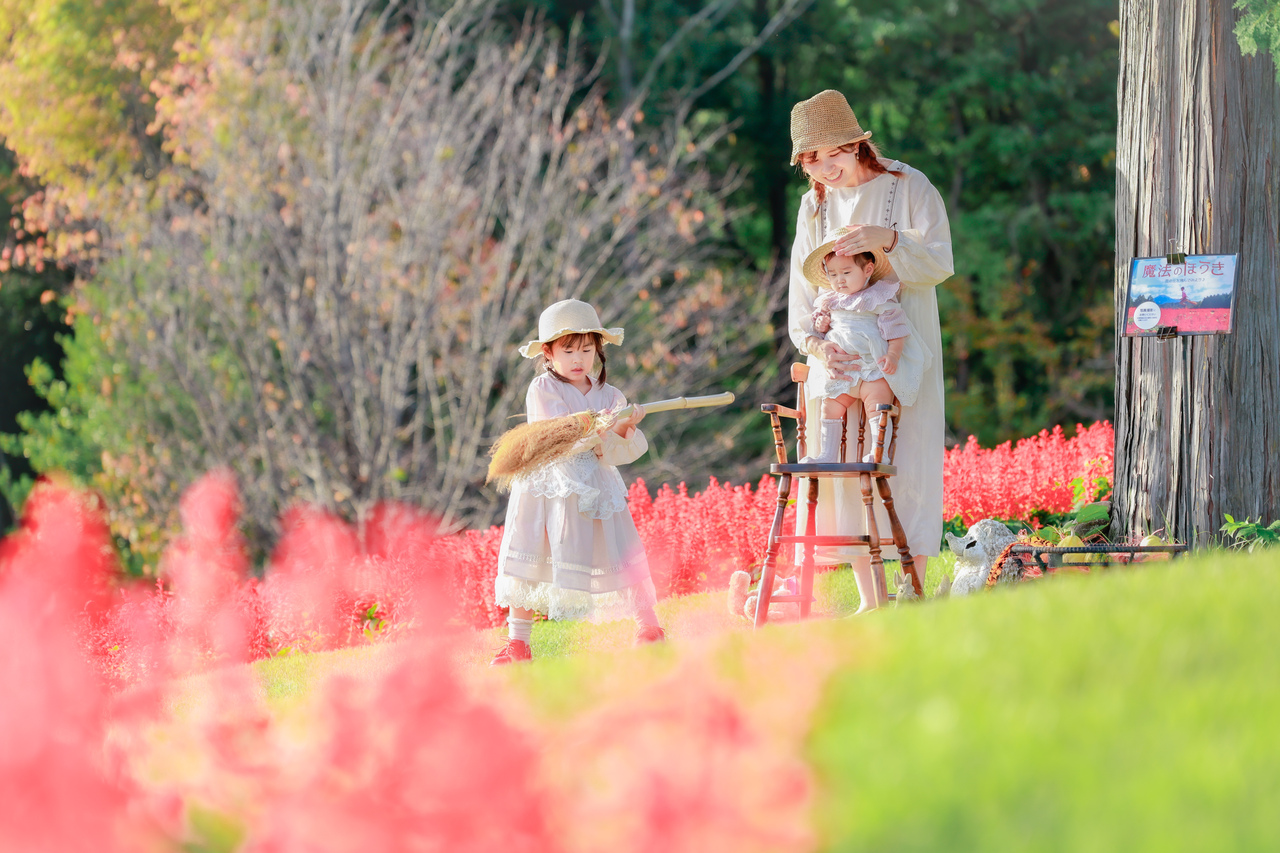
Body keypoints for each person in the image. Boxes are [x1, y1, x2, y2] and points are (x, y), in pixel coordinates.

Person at [787, 89, 953, 611]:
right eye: (811, 159)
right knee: (844, 462)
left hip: (901, 348)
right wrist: (813, 345)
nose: (823, 167)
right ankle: (870, 597)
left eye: (830, 152)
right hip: (837, 358)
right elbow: (804, 288)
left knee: (908, 455)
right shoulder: (813, 205)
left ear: (855, 144)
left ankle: (914, 588)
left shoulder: (908, 186)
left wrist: (888, 238)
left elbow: (939, 264)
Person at [490, 298, 663, 665]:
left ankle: (648, 626)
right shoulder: (543, 389)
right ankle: (518, 643)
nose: (578, 358)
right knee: (533, 553)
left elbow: (612, 451)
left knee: (619, 548)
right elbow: (560, 437)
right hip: (550, 486)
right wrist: (596, 425)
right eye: (568, 350)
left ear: (598, 350)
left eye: (586, 349)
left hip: (596, 487)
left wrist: (622, 426)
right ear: (548, 353)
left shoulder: (611, 395)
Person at [797, 234, 931, 464]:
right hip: (842, 371)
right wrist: (822, 324)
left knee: (878, 407)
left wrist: (893, 355)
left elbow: (897, 330)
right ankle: (827, 455)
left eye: (846, 273)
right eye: (833, 274)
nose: (839, 280)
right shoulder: (829, 301)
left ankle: (879, 453)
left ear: (868, 270)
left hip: (872, 368)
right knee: (829, 406)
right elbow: (820, 329)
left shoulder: (878, 297)